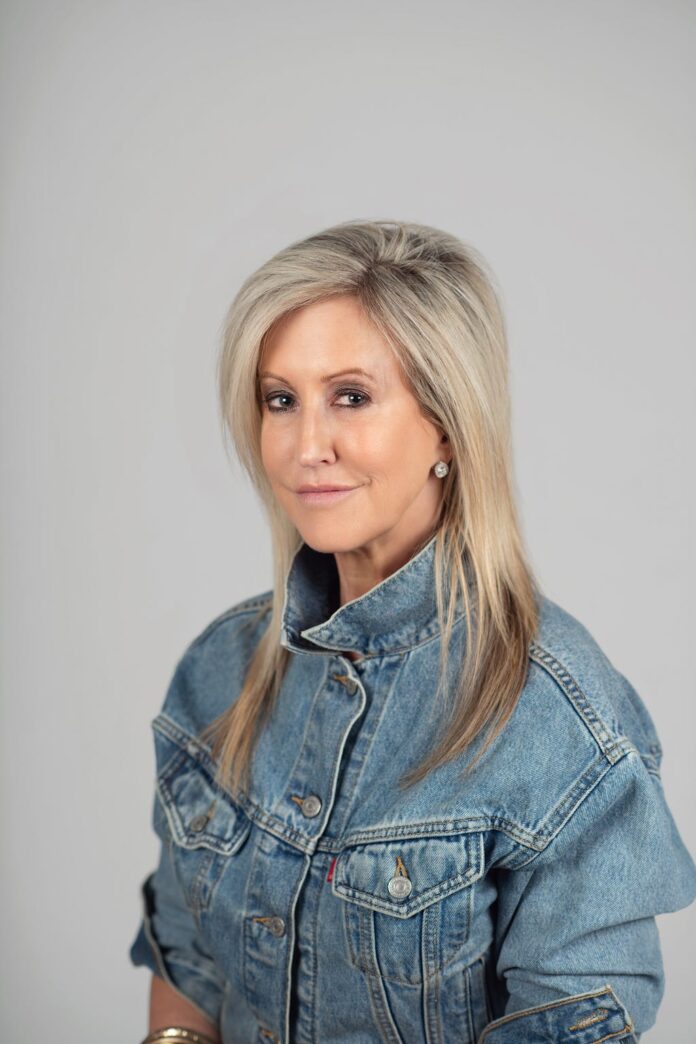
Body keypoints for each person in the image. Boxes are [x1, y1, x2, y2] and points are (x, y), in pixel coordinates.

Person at [129, 219, 696, 1044]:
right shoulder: (223, 667)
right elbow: (187, 964)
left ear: (447, 426)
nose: (306, 446)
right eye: (281, 399)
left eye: (350, 397)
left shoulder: (560, 724)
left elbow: (569, 1020)